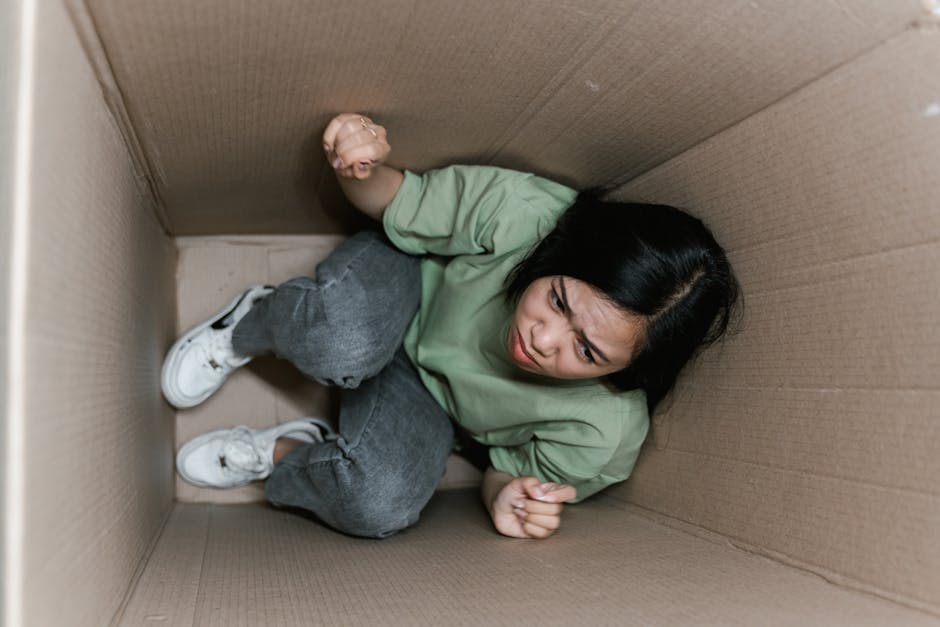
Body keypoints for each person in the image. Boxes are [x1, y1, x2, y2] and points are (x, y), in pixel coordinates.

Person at [163, 112, 739, 540]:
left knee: (378, 505)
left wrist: (506, 496)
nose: (544, 339)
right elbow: (391, 200)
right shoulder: (529, 215)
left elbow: (502, 474)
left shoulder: (604, 433)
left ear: (631, 371)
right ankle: (251, 323)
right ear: (567, 250)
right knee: (341, 337)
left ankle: (291, 454)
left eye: (586, 352)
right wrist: (359, 164)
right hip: (409, 284)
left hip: (429, 401)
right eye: (559, 300)